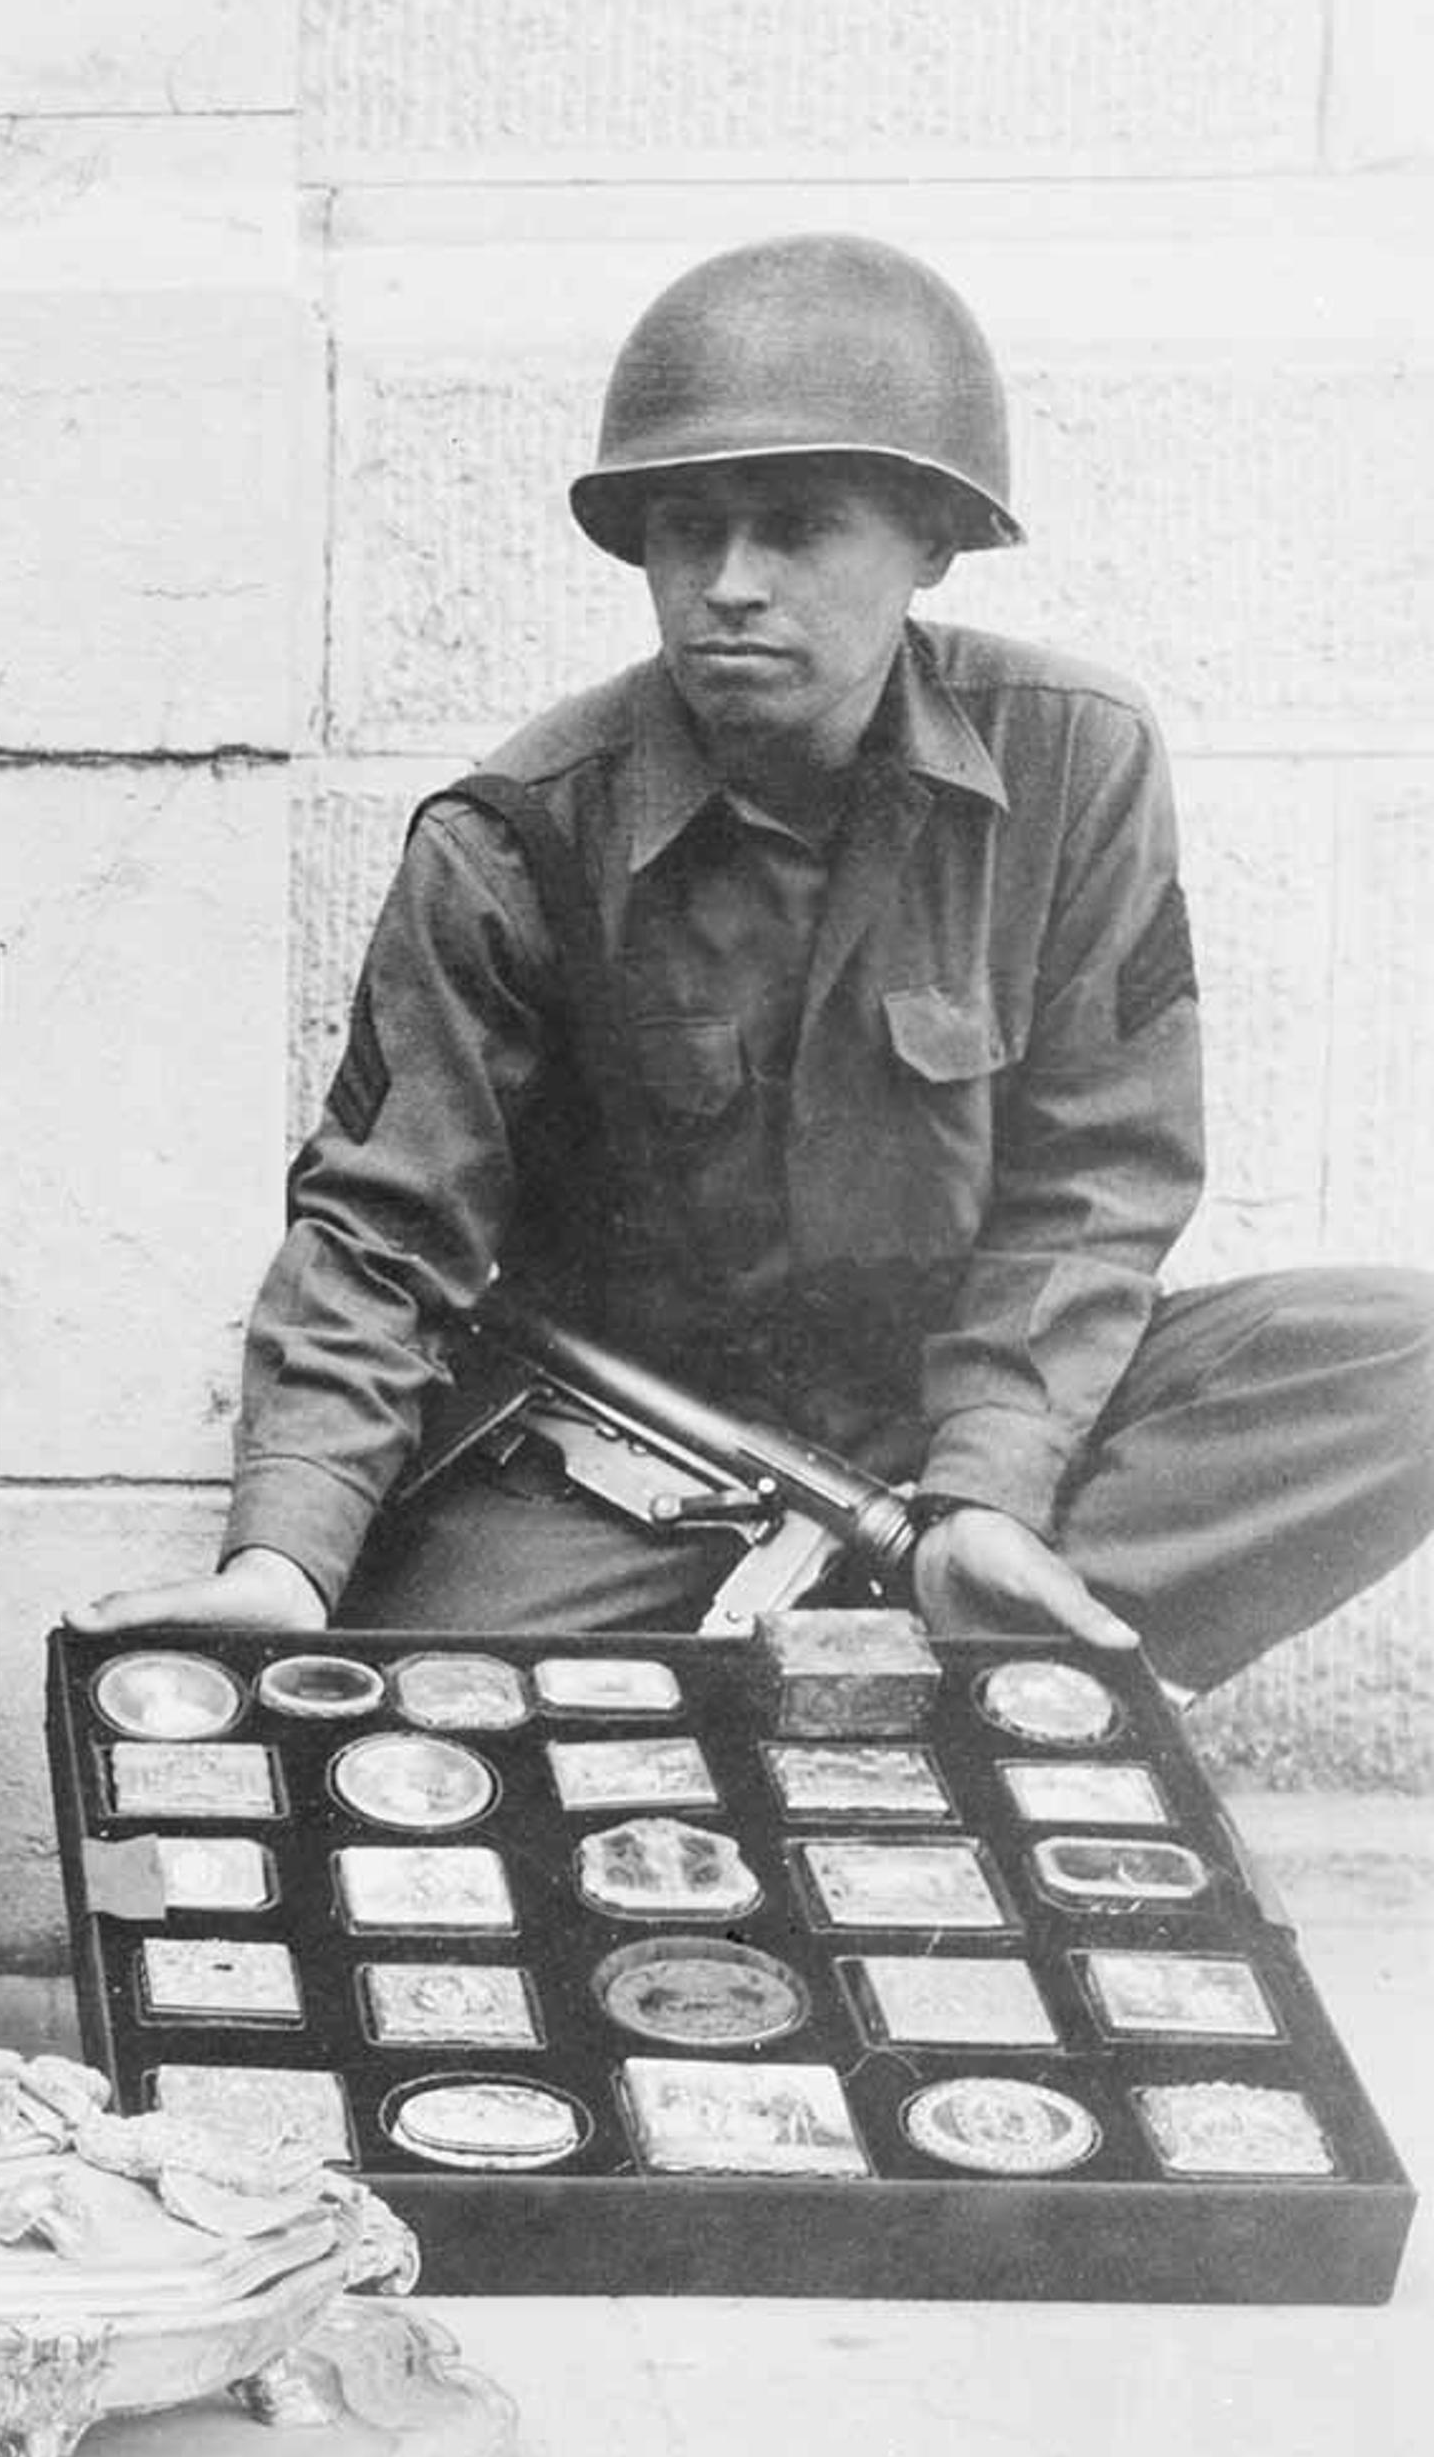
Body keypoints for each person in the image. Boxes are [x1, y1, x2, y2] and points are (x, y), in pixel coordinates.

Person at [77, 232, 1434, 1689]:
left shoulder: (1071, 759)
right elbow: (380, 1227)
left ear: (930, 540)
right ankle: (943, 1685)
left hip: (984, 1406)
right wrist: (280, 1560)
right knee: (408, 1718)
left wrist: (985, 1483)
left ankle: (954, 1621)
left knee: (1393, 1359)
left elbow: (1097, 1177)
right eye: (686, 529)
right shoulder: (515, 837)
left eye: (795, 526)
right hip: (635, 1464)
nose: (729, 582)